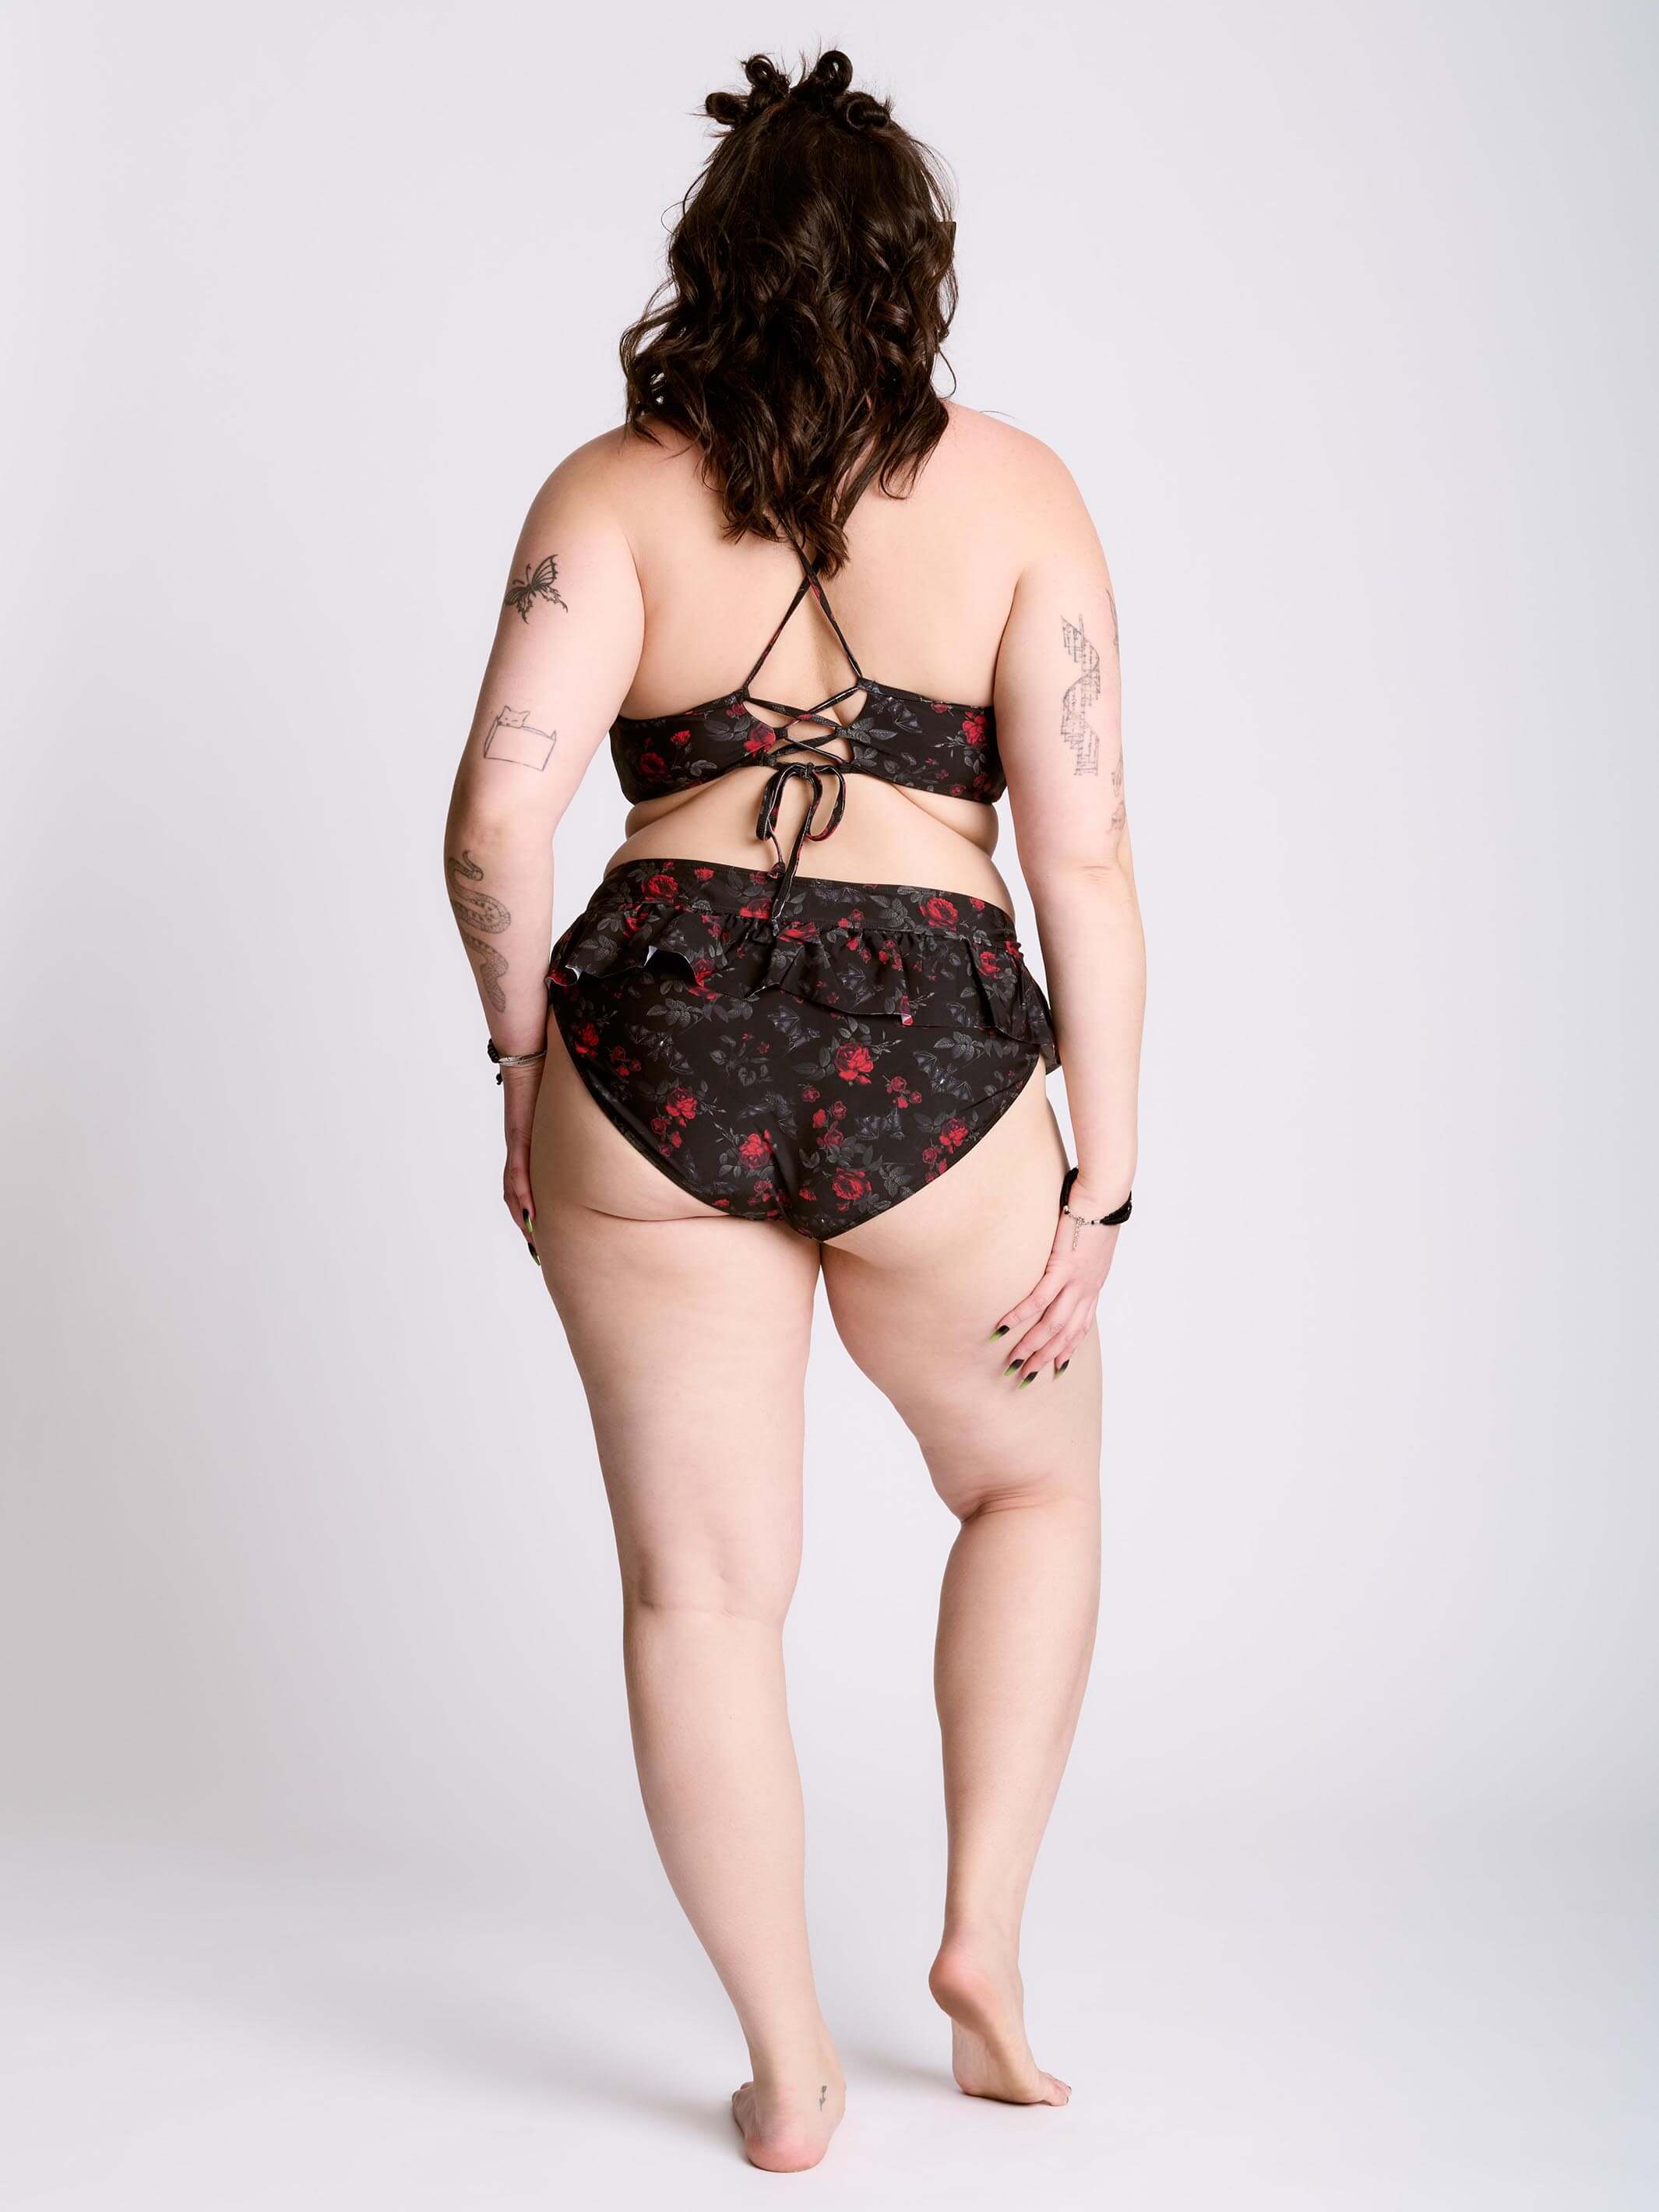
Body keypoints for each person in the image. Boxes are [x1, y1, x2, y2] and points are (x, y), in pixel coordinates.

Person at [443, 48, 1145, 2175]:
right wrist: (1101, 1183)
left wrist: (526, 1066)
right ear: (917, 272)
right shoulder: (1019, 493)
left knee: (702, 1595)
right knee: (1027, 1497)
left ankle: (788, 2072)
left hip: (652, 1037)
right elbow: (1085, 856)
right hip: (931, 1042)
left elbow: (494, 822)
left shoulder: (608, 491)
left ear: (711, 262)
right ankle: (979, 1943)